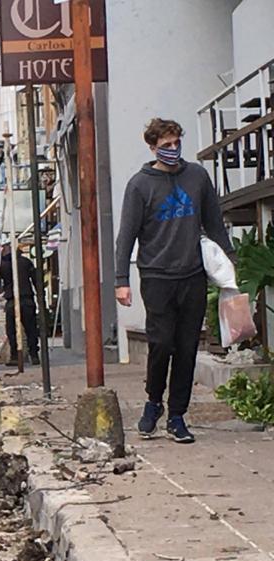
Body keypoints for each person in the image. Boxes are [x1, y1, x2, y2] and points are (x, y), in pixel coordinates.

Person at [115, 117, 235, 444]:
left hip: (192, 274)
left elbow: (214, 223)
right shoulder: (140, 184)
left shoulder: (196, 177)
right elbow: (126, 235)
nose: (172, 149)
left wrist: (231, 263)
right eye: (165, 145)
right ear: (153, 147)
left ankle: (178, 415)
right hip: (156, 275)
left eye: (176, 143)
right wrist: (121, 279)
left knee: (186, 348)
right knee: (161, 343)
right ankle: (154, 401)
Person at [0, 243, 40, 366]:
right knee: (31, 329)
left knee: (11, 331)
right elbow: (36, 280)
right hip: (27, 300)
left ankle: (15, 356)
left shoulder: (3, 266)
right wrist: (41, 299)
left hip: (12, 301)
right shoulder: (26, 262)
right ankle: (34, 355)